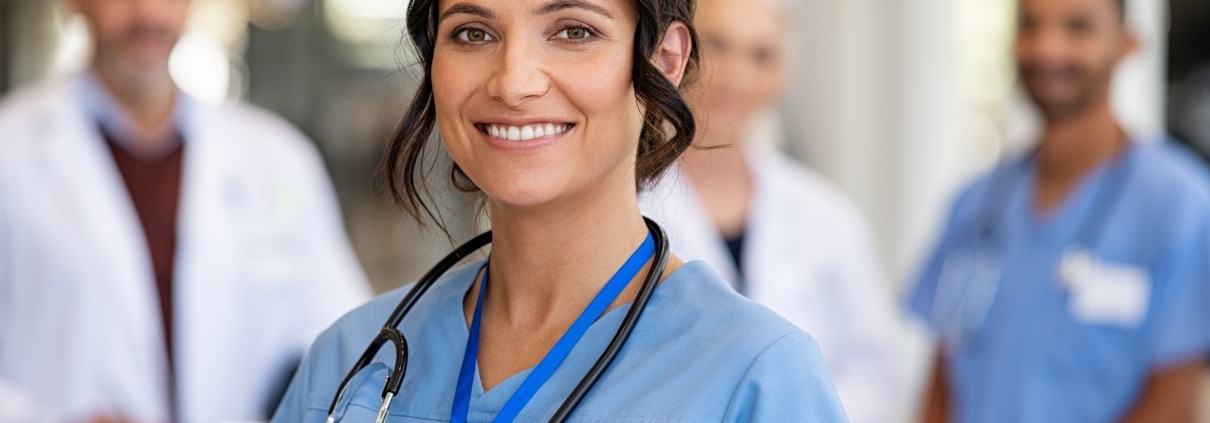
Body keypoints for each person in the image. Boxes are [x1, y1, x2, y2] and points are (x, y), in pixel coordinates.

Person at [271, 0, 849, 421]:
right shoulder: (350, 365)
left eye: (574, 31)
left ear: (665, 59)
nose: (514, 81)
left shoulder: (758, 379)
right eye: (472, 33)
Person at [0, 0, 370, 421]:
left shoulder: (278, 159)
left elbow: (346, 340)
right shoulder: (10, 153)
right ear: (75, 5)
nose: (147, 15)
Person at [908, 0, 1210, 421]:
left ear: (1127, 44)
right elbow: (942, 381)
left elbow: (1172, 405)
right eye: (1030, 26)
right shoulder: (975, 205)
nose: (1047, 48)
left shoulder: (1181, 206)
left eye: (1078, 28)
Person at [637, 0, 908, 421]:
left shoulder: (829, 217)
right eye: (719, 45)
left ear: (783, 74)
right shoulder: (631, 206)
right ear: (677, 54)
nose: (738, 74)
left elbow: (876, 372)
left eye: (762, 56)